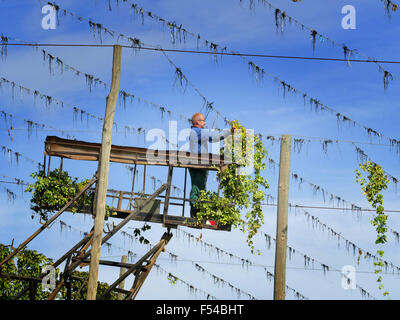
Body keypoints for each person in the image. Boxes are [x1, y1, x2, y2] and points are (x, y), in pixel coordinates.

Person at [188, 112, 232, 218]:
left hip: (199, 164)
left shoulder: (196, 132)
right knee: (197, 187)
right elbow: (215, 137)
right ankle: (195, 212)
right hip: (197, 164)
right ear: (198, 122)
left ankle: (198, 211)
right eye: (203, 120)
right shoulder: (198, 131)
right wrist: (229, 131)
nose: (205, 122)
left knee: (200, 187)